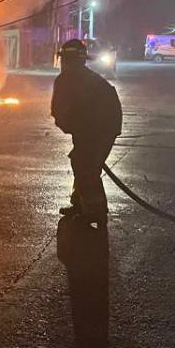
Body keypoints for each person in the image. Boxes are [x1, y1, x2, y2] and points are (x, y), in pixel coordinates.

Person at [51, 38, 122, 225]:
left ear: (69, 60)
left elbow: (61, 112)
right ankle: (81, 204)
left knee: (87, 167)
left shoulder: (70, 80)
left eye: (65, 60)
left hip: (99, 130)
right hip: (93, 129)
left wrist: (77, 128)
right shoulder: (81, 78)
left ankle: (95, 212)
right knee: (81, 163)